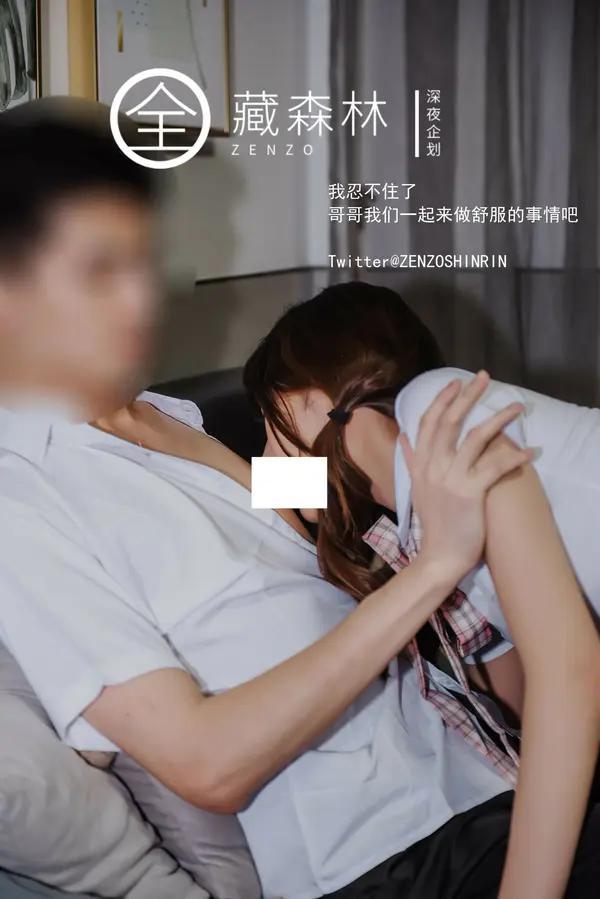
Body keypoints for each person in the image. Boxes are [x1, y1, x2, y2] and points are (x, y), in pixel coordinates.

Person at [0, 111, 597, 899]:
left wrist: (428, 483)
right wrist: (437, 566)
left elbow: (293, 496)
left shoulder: (168, 422)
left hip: (488, 777)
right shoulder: (25, 497)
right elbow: (207, 763)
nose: (143, 298)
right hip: (390, 855)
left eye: (146, 260)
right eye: (100, 268)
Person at [244, 279, 600, 899]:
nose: (267, 452)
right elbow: (526, 709)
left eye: (270, 422)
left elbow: (569, 674)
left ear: (313, 397)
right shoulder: (425, 514)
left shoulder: (437, 410)